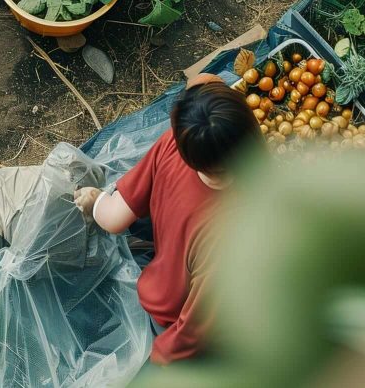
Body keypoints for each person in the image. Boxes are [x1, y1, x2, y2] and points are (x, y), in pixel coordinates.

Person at [72, 74, 254, 365]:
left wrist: (96, 203)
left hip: (167, 250)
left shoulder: (172, 143)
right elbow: (195, 329)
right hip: (174, 312)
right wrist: (163, 359)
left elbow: (115, 218)